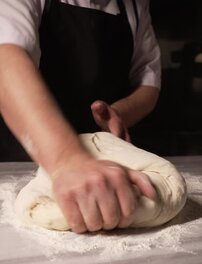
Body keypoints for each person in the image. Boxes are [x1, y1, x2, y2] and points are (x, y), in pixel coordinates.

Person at [0, 0, 161, 233]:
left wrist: (119, 113)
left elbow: (148, 82)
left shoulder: (135, 5)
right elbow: (6, 61)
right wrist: (66, 160)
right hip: (21, 156)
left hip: (103, 163)